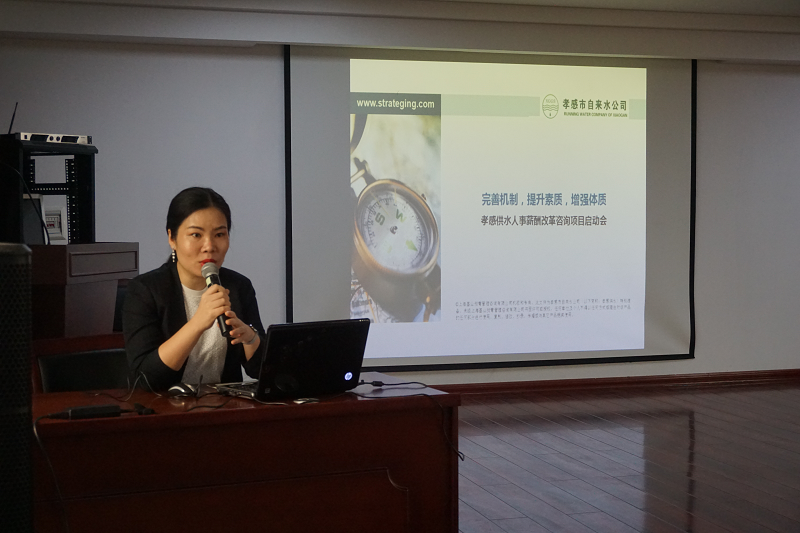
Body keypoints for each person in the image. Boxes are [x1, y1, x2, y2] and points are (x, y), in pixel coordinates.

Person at [123, 187, 264, 391]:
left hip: (223, 404)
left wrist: (251, 339)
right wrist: (198, 323)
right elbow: (145, 378)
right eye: (196, 235)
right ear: (172, 238)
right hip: (162, 406)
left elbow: (261, 370)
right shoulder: (145, 290)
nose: (209, 246)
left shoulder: (238, 286)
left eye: (219, 234)